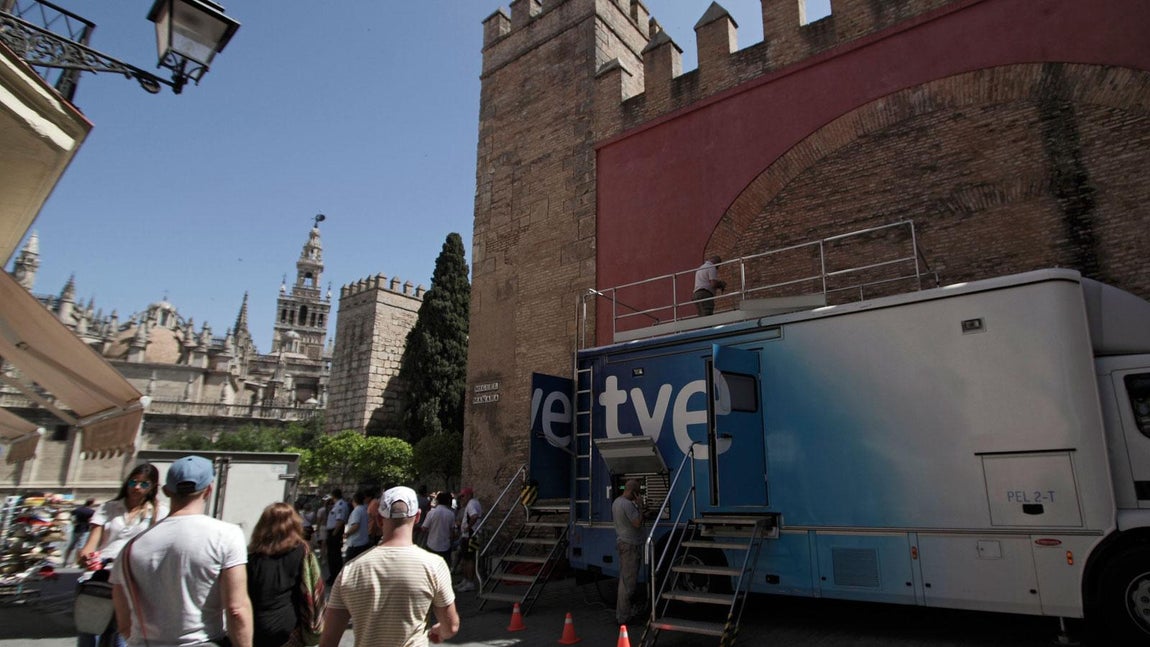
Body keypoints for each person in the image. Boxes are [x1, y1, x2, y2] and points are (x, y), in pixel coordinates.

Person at [110, 455, 252, 647]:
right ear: (209, 490)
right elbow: (236, 608)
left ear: (167, 491)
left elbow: (124, 618)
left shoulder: (130, 548)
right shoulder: (227, 535)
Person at [320, 486, 459, 647]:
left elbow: (328, 641)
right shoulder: (434, 566)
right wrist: (439, 631)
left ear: (379, 519)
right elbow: (452, 626)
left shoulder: (351, 570)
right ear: (418, 517)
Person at [77, 465, 168, 647]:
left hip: (132, 580)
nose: (136, 487)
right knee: (90, 633)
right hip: (101, 575)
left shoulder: (159, 512)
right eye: (133, 482)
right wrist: (86, 557)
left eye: (144, 484)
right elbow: (89, 546)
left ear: (153, 487)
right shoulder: (108, 508)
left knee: (122, 634)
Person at [247, 502, 325, 647]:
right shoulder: (302, 551)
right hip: (288, 626)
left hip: (256, 625)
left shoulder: (252, 557)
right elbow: (313, 587)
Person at [612, 479, 645, 626]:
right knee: (628, 583)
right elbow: (637, 523)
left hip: (622, 542)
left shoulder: (617, 502)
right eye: (637, 493)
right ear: (634, 492)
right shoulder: (628, 505)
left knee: (624, 580)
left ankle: (623, 614)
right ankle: (624, 616)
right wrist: (641, 507)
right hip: (631, 545)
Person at [455, 487, 482, 592]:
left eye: (463, 496)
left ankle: (469, 582)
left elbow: (474, 516)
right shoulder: (473, 503)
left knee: (469, 559)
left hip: (471, 536)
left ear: (469, 495)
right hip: (470, 535)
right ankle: (466, 580)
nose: (462, 499)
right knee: (466, 558)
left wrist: (468, 527)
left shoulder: (471, 504)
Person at [421, 491, 456, 564]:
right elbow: (452, 531)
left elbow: (424, 528)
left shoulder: (431, 513)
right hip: (445, 546)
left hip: (432, 544)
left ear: (438, 500)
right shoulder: (451, 514)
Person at [324, 488, 349, 586]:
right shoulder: (337, 504)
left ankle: (335, 576)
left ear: (333, 495)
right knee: (331, 555)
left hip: (335, 532)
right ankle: (333, 574)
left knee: (334, 556)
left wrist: (334, 533)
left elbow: (340, 520)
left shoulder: (341, 505)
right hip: (333, 531)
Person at [64, 498, 96, 566]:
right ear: (92, 503)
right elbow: (91, 520)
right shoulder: (91, 511)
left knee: (71, 546)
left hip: (76, 529)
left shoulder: (78, 509)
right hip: (85, 529)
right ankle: (76, 562)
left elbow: (71, 515)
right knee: (80, 546)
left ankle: (65, 560)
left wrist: (74, 521)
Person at [343, 490, 372, 563]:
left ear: (354, 500)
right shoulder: (365, 509)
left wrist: (347, 533)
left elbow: (355, 526)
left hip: (355, 543)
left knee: (348, 565)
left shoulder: (357, 511)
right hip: (364, 541)